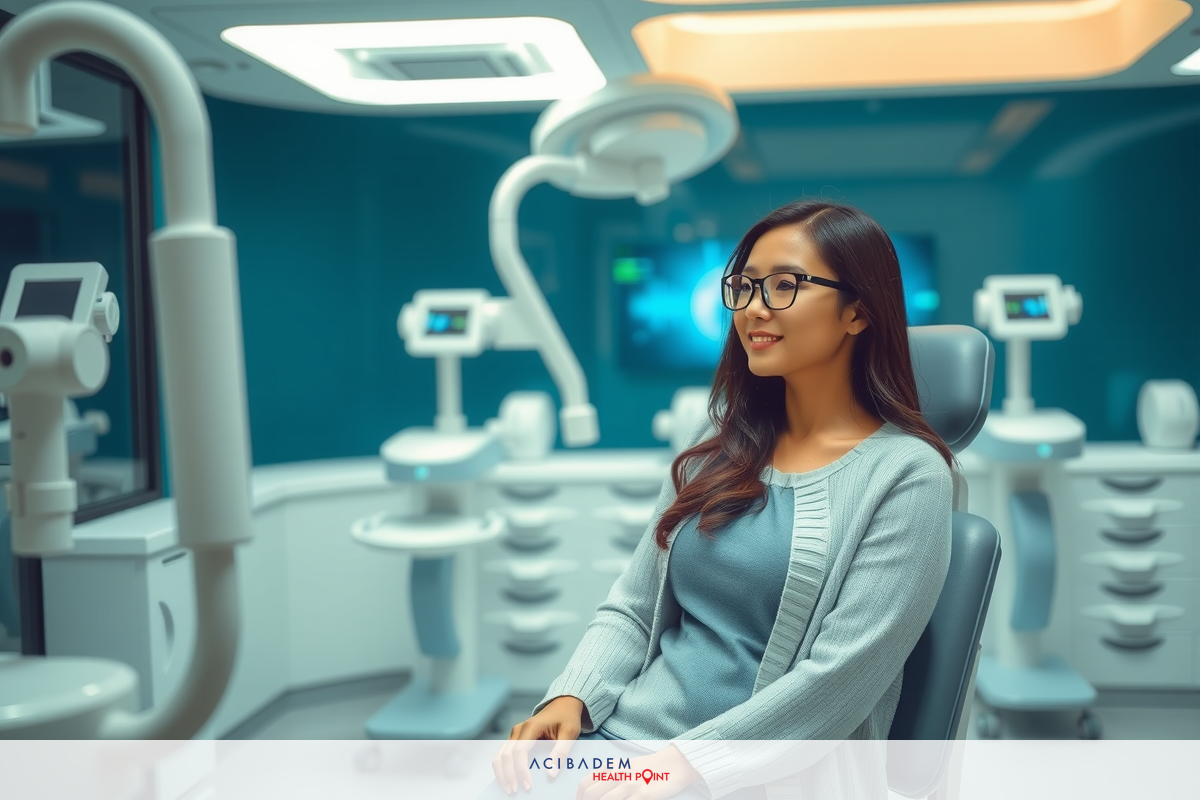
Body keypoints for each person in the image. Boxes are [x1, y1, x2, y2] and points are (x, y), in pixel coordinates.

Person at [489, 200, 955, 800]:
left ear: (857, 313)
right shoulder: (715, 447)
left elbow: (839, 681)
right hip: (625, 746)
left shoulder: (907, 475)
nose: (754, 307)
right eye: (744, 286)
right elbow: (633, 606)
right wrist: (571, 694)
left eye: (785, 285)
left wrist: (684, 768)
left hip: (758, 775)